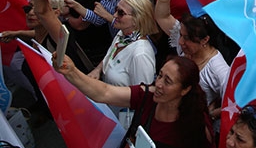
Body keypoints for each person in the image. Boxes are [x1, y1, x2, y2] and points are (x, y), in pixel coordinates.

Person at [54, 54, 214, 148]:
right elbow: (104, 93)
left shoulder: (196, 127)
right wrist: (72, 72)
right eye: (159, 75)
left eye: (168, 81)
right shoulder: (146, 96)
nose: (158, 84)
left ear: (185, 90)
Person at [155, 0, 231, 121]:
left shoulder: (219, 70)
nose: (181, 42)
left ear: (205, 40)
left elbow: (233, 104)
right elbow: (162, 16)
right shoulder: (183, 43)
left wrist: (210, 115)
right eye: (181, 35)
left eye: (188, 39)